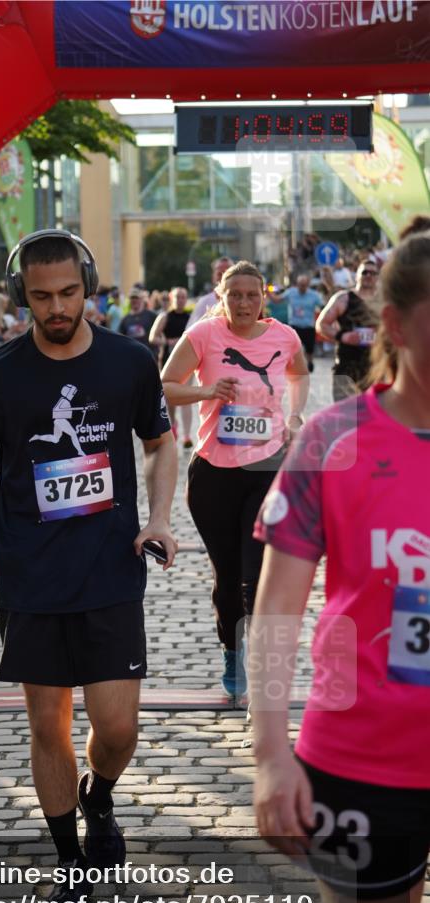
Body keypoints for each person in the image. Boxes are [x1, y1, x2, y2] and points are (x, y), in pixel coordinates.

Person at [0, 229, 178, 903]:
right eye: (41, 297)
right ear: (22, 294)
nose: (56, 309)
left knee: (118, 727)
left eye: (68, 293)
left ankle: (98, 794)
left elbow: (161, 447)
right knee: (47, 725)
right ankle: (68, 863)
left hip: (110, 565)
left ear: (87, 287)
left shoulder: (130, 362)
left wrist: (159, 516)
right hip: (30, 574)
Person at [251, 232, 430, 903]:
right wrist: (268, 755)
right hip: (362, 763)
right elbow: (275, 615)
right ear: (393, 325)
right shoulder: (334, 441)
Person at [161, 261, 309, 699]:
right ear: (220, 296)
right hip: (212, 474)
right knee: (227, 578)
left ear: (263, 297)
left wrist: (295, 413)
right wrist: (206, 392)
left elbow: (300, 374)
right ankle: (232, 649)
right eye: (235, 294)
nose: (243, 302)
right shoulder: (204, 335)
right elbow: (165, 384)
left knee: (255, 573)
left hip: (266, 468)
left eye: (252, 294)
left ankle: (260, 663)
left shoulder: (285, 336)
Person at [316, 260, 379, 401]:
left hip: (376, 369)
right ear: (356, 275)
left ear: (377, 277)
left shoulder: (385, 301)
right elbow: (322, 324)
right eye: (365, 272)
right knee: (346, 419)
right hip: (346, 367)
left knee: (372, 419)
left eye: (373, 273)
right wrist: (342, 336)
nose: (369, 275)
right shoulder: (343, 299)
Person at [149, 287, 193, 445]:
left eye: (183, 297)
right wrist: (167, 342)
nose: (180, 300)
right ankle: (173, 426)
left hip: (188, 362)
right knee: (171, 398)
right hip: (168, 361)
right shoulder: (165, 316)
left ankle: (187, 436)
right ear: (171, 298)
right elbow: (152, 337)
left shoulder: (191, 318)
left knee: (187, 398)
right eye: (178, 297)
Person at [269, 274, 323, 372]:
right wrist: (267, 292)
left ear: (307, 285)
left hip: (308, 326)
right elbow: (277, 300)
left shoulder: (314, 295)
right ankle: (292, 364)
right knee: (291, 347)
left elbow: (322, 306)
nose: (302, 287)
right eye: (300, 285)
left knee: (309, 349)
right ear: (297, 284)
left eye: (304, 285)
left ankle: (310, 362)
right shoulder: (291, 293)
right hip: (295, 326)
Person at [187, 256, 234, 327]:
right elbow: (190, 331)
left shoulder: (243, 302)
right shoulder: (203, 302)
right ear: (213, 277)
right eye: (219, 274)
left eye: (228, 274)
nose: (224, 278)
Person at [118, 288, 157, 352]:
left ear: (141, 299)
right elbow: (121, 339)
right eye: (132, 298)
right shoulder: (125, 319)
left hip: (149, 354)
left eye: (136, 298)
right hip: (132, 354)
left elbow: (160, 335)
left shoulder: (151, 315)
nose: (134, 300)